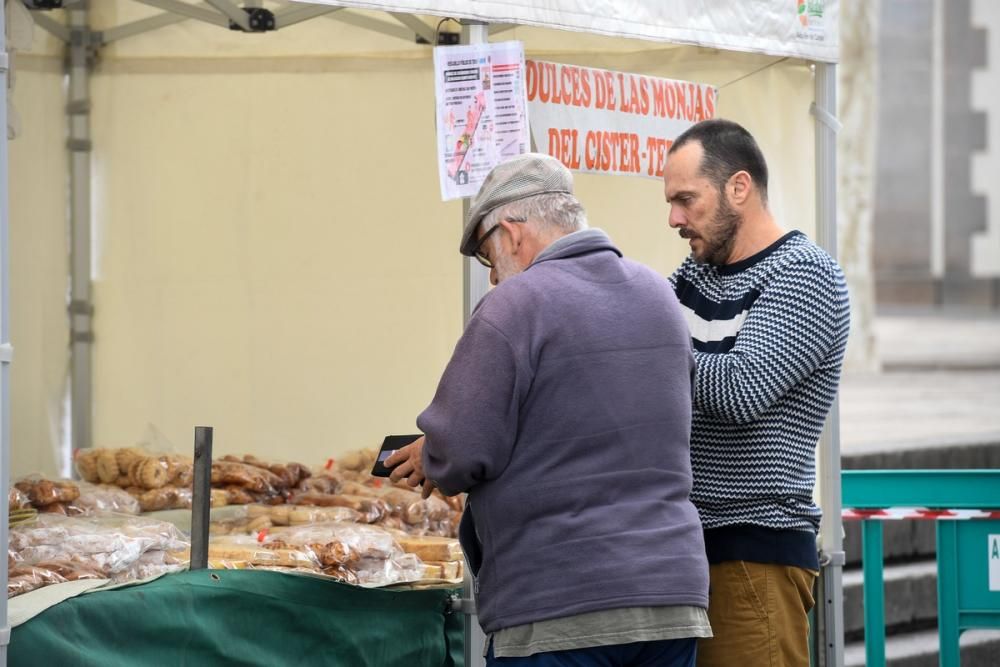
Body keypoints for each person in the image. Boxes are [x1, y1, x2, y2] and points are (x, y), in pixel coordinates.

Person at [387, 152, 711, 666]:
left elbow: (462, 450)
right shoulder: (659, 295)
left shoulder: (515, 305)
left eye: (491, 259)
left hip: (559, 602)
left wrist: (435, 452)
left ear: (513, 234)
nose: (494, 278)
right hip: (671, 594)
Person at [660, 118, 850, 667]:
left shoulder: (807, 275)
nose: (673, 218)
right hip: (682, 554)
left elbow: (737, 390)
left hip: (753, 557)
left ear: (738, 188)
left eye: (685, 200)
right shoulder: (694, 277)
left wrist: (645, 348)